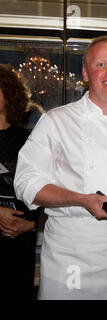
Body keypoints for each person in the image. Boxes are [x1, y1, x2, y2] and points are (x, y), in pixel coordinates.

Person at [14, 36, 107, 300]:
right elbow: (26, 183)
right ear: (85, 73)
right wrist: (81, 199)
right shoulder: (56, 122)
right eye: (101, 64)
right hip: (70, 254)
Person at [0, 64, 40, 299]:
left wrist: (33, 224)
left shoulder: (29, 139)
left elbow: (43, 187)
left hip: (18, 245)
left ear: (9, 94)